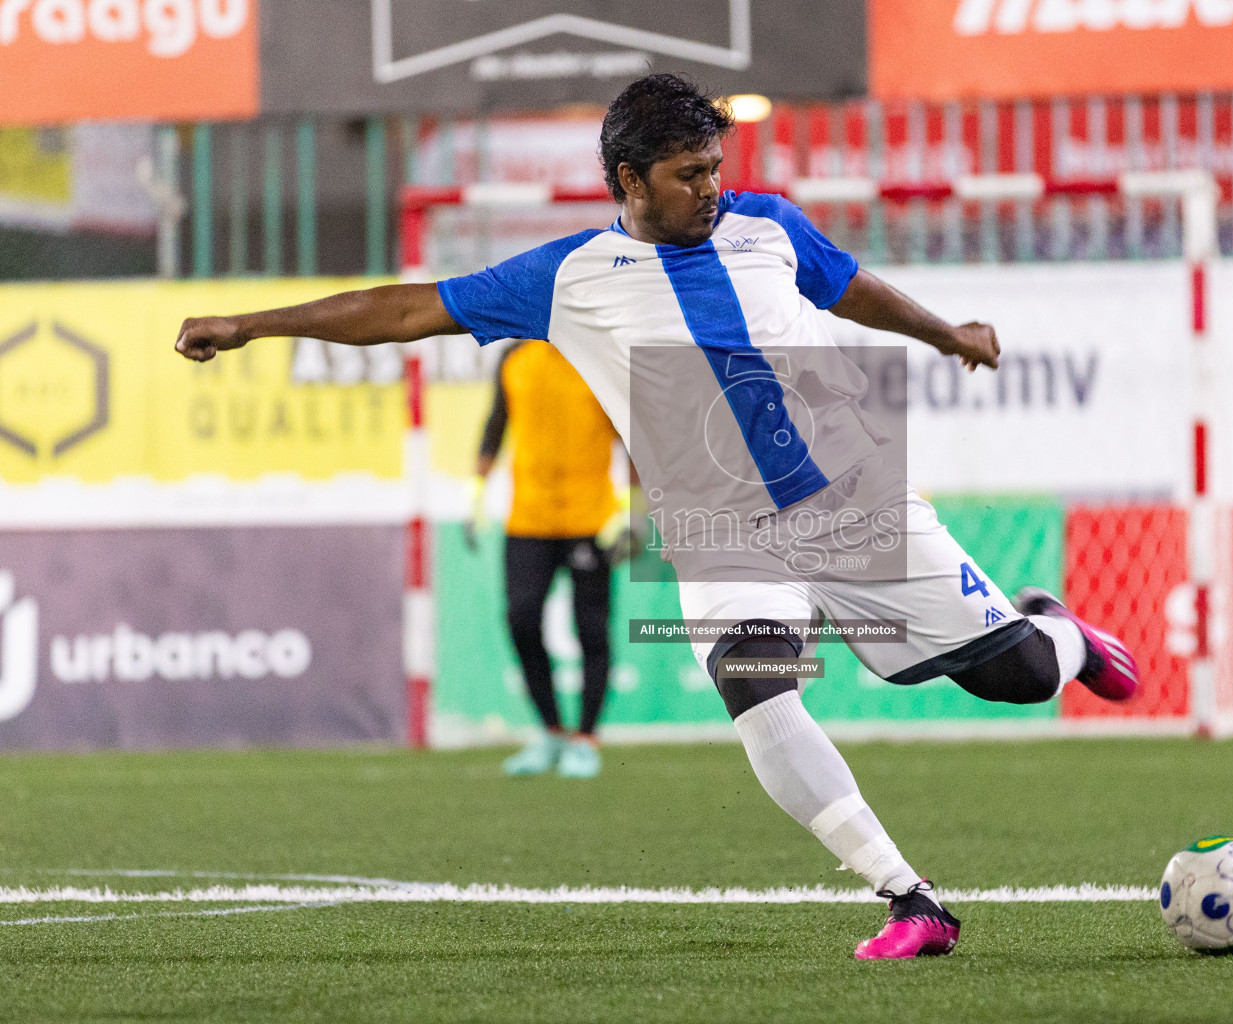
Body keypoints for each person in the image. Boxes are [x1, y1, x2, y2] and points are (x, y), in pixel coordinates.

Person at [173, 73, 1141, 961]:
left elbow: (851, 290)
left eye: (716, 167)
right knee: (760, 694)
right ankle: (910, 898)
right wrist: (253, 326)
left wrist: (949, 335)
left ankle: (1062, 631)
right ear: (628, 180)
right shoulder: (568, 278)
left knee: (1013, 675)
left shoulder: (769, 227)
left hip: (854, 502)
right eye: (688, 174)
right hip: (725, 537)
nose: (711, 187)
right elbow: (405, 311)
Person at [468, 338, 626, 779]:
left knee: (591, 628)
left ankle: (586, 738)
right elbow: (496, 423)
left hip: (590, 518)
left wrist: (634, 509)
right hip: (529, 519)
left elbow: (632, 436)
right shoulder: (514, 357)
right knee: (521, 619)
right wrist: (476, 490)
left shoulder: (600, 355)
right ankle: (552, 731)